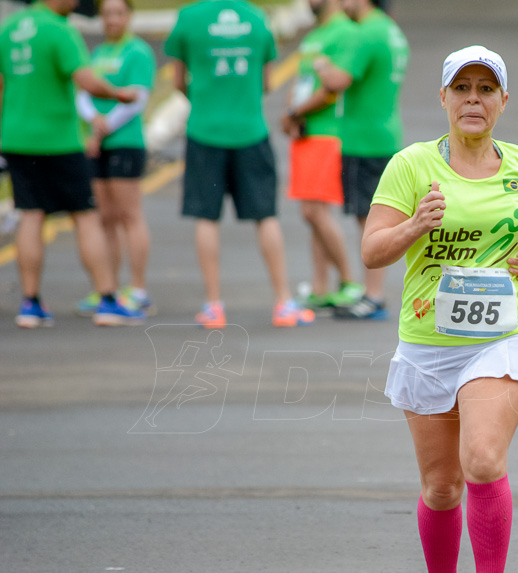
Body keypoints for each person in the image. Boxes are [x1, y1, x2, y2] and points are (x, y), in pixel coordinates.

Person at [363, 45, 518, 573]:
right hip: (430, 344)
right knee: (440, 486)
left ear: (503, 101)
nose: (474, 100)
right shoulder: (410, 167)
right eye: (462, 89)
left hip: (505, 333)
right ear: (443, 99)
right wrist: (413, 227)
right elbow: (372, 252)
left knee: (482, 458)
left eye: (487, 89)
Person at [165, 0, 314, 328]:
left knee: (206, 217)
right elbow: (266, 82)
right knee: (265, 216)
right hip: (250, 130)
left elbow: (177, 81)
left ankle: (214, 305)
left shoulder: (189, 18)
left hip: (205, 131)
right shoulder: (257, 19)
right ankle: (283, 302)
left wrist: (206, 101)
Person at [0, 0, 145, 327]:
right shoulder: (60, 30)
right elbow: (87, 81)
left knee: (31, 213)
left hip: (16, 137)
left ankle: (30, 303)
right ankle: (107, 299)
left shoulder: (9, 29)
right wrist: (119, 94)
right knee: (85, 215)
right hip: (58, 139)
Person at [316, 0, 408, 320]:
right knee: (377, 215)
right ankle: (371, 293)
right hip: (386, 134)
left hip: (363, 139)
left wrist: (320, 65)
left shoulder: (365, 33)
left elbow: (337, 80)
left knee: (367, 219)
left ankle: (373, 295)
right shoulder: (391, 31)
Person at [280, 0, 363, 312]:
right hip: (305, 131)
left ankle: (349, 281)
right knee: (312, 212)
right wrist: (290, 114)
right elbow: (301, 80)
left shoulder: (345, 33)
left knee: (314, 211)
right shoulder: (315, 35)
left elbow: (332, 88)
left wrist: (295, 111)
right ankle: (319, 287)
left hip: (327, 131)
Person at [75, 0, 157, 317]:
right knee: (103, 218)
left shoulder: (137, 52)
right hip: (97, 144)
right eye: (107, 14)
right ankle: (106, 285)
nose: (112, 20)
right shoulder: (96, 55)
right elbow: (82, 93)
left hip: (124, 141)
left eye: (119, 13)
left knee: (129, 215)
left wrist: (105, 126)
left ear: (129, 16)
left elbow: (137, 99)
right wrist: (93, 121)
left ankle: (137, 288)